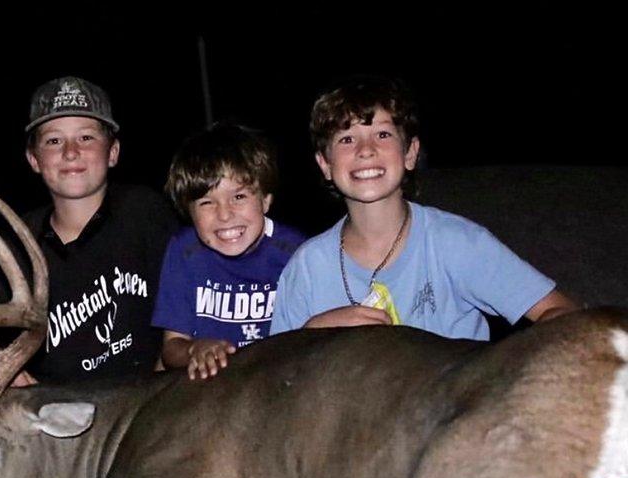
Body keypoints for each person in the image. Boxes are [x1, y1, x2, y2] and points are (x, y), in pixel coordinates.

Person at [269, 76, 577, 339]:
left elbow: (563, 312)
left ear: (410, 153)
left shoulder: (455, 243)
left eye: (383, 134)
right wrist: (311, 334)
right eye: (347, 138)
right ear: (324, 164)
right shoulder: (306, 268)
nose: (366, 150)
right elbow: (273, 377)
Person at [0, 76, 180, 392]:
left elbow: (186, 303)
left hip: (143, 402)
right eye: (54, 141)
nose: (71, 152)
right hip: (51, 413)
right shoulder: (13, 246)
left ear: (113, 152)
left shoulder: (146, 213)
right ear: (34, 159)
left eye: (86, 137)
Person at [153, 123, 307, 379]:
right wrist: (194, 349)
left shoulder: (296, 253)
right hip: (207, 388)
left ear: (265, 200)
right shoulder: (184, 250)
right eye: (206, 202)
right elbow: (171, 348)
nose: (224, 215)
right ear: (188, 212)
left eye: (239, 197)